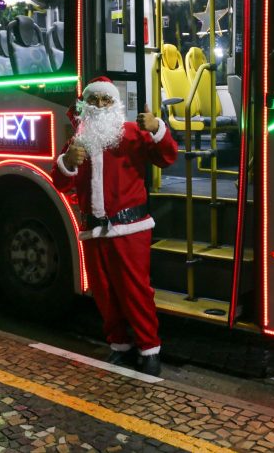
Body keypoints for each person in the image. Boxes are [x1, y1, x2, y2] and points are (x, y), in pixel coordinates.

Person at [51, 77, 178, 376]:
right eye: (93, 100)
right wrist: (67, 161)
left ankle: (149, 350)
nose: (98, 106)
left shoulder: (134, 133)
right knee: (104, 293)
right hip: (94, 232)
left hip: (130, 229)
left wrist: (157, 128)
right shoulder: (77, 141)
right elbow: (59, 181)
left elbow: (167, 158)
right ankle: (119, 345)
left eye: (105, 101)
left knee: (135, 291)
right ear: (86, 105)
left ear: (114, 104)